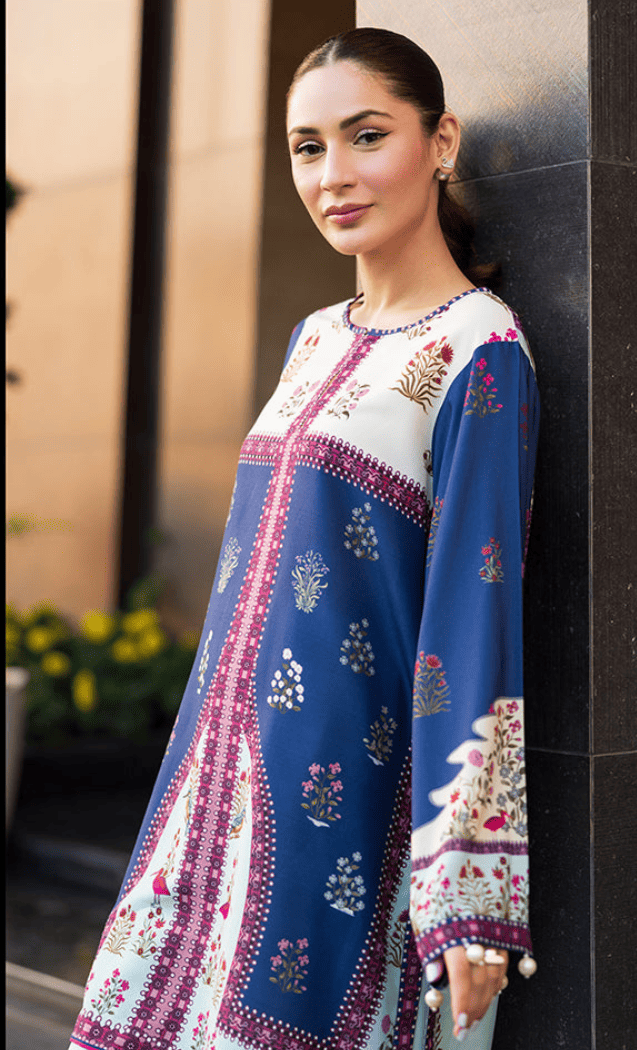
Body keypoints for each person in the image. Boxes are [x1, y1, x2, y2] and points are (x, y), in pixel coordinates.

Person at [69, 27, 539, 1050]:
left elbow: (472, 617)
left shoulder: (481, 347)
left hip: (343, 801)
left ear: (441, 141)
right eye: (307, 147)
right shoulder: (314, 336)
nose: (333, 176)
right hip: (212, 793)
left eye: (366, 137)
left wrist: (469, 898)